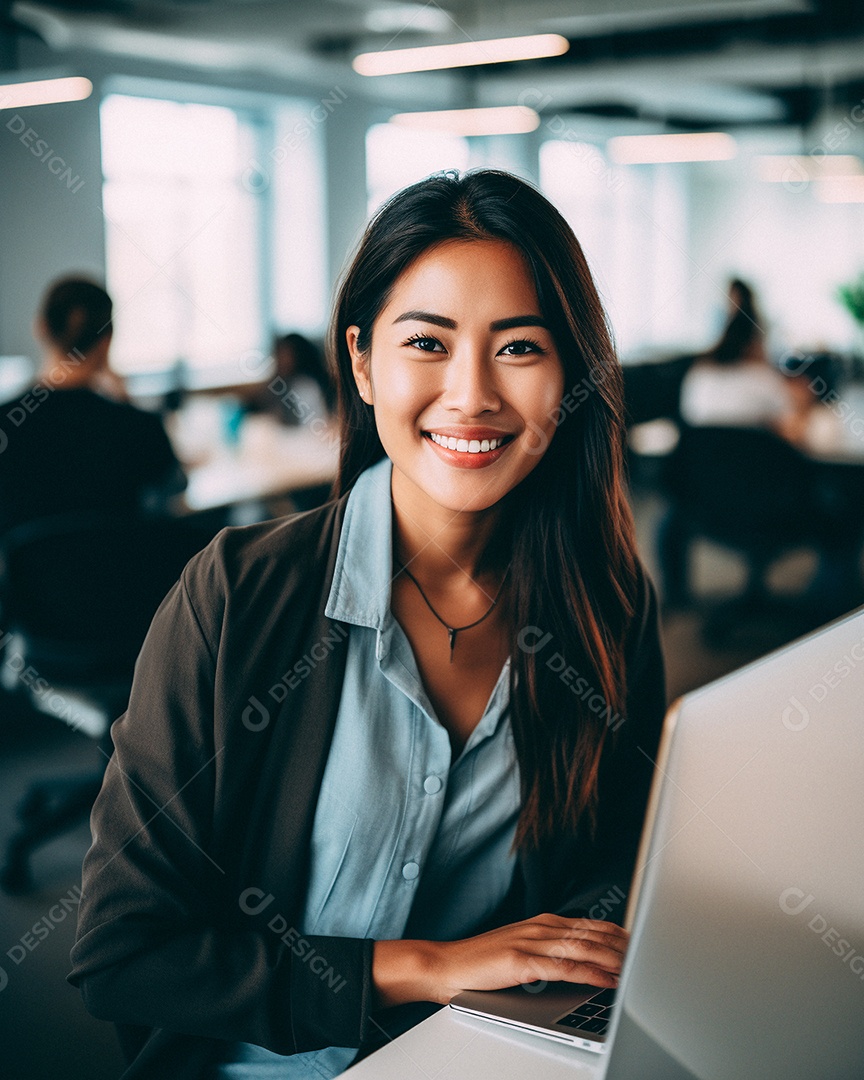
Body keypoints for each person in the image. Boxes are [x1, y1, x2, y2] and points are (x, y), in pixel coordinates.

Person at [67, 171, 666, 1079]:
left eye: (520, 348)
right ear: (361, 361)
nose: (470, 396)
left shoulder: (605, 605)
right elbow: (126, 956)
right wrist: (426, 969)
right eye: (427, 341)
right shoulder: (236, 597)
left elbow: (611, 875)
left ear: (570, 376)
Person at [0, 277, 185, 535]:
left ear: (40, 328)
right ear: (107, 341)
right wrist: (126, 401)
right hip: (123, 572)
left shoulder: (7, 421)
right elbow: (175, 487)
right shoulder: (136, 424)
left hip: (28, 574)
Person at [678, 278, 797, 430]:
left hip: (703, 452)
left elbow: (689, 418)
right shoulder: (764, 381)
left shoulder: (699, 377)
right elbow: (791, 425)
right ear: (755, 343)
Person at [246, 332, 334, 427]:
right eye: (278, 355)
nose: (280, 360)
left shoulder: (307, 386)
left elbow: (313, 423)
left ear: (298, 356)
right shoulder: (280, 382)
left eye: (285, 355)